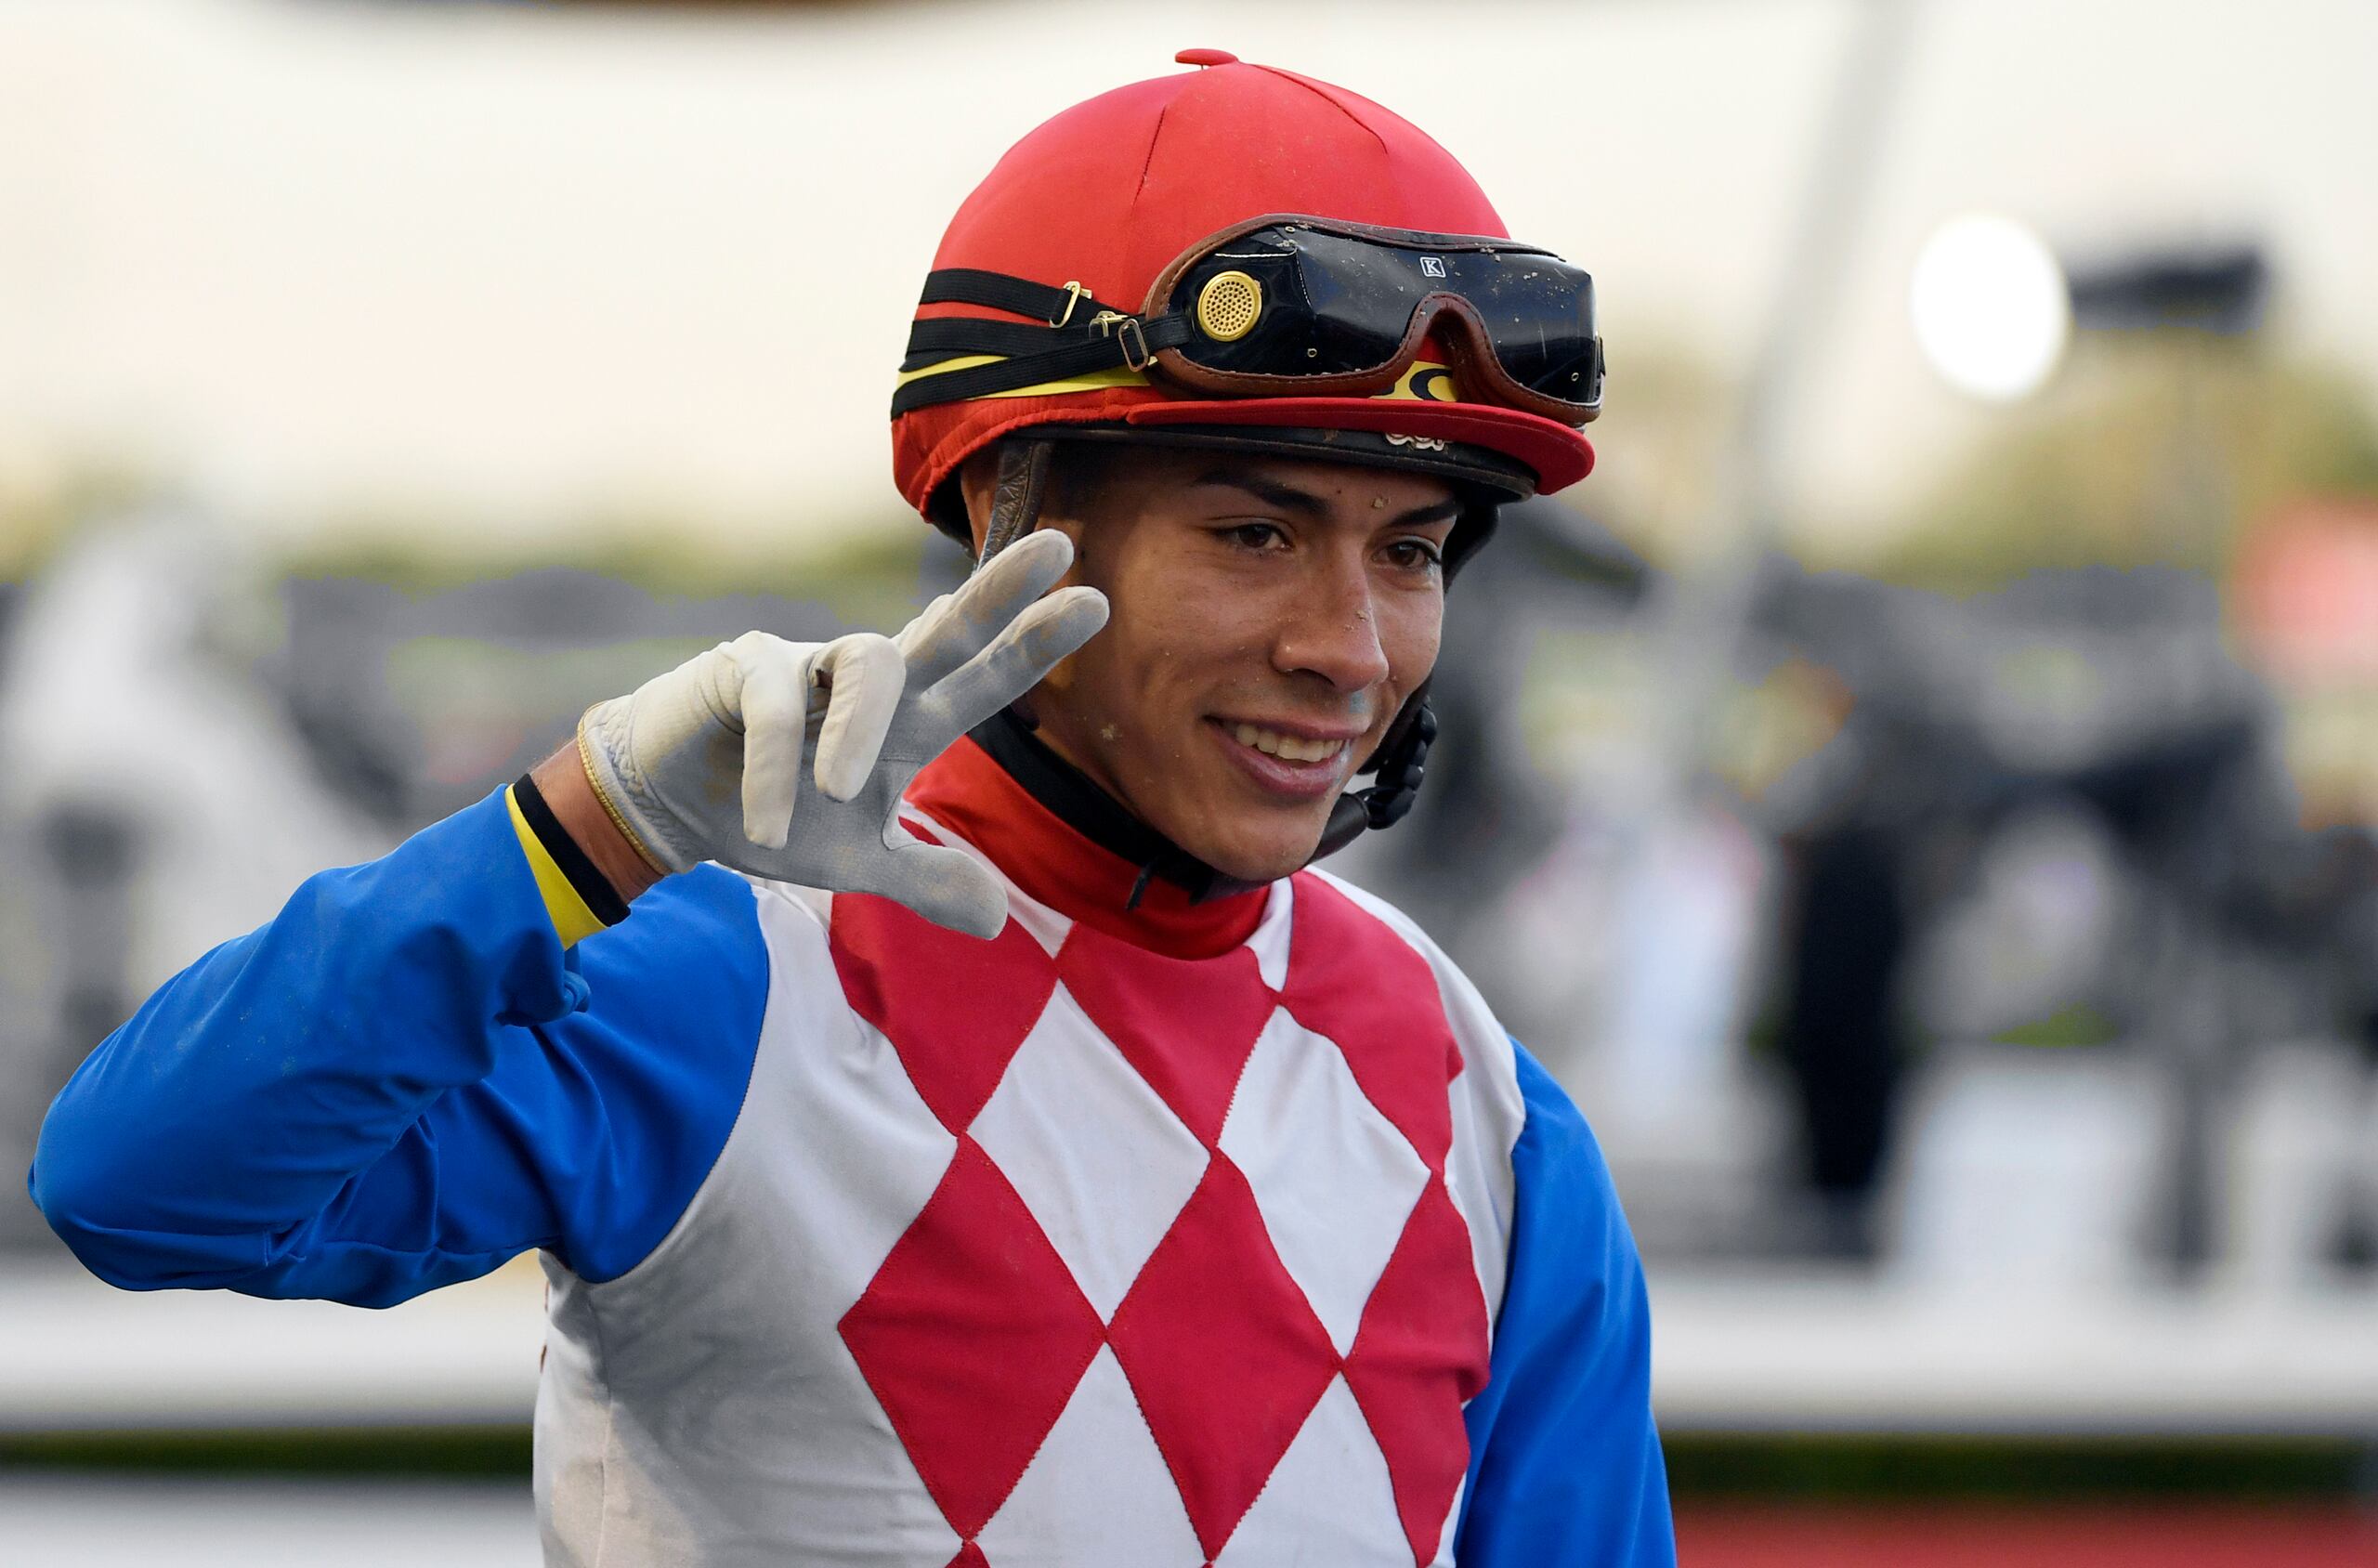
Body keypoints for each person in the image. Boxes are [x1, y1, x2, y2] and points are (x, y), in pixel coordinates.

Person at [30, 50, 1671, 1567]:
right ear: (1009, 512)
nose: (1346, 649)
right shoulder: (720, 977)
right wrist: (587, 824)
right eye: (1255, 533)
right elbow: (140, 1181)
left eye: (1409, 551)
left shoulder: (1485, 1106)